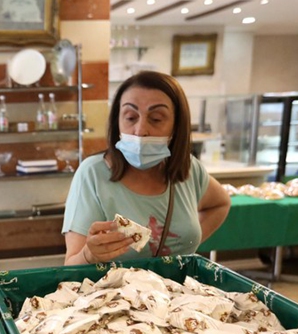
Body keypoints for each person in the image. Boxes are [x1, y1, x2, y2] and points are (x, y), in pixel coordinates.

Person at [62, 71, 230, 264]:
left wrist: (186, 247)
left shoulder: (189, 169)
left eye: (156, 119)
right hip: (113, 293)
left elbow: (221, 203)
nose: (141, 130)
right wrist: (89, 255)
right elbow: (71, 265)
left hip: (177, 292)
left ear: (177, 126)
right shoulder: (92, 174)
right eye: (131, 117)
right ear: (118, 122)